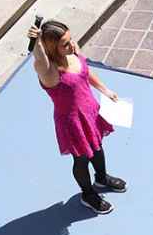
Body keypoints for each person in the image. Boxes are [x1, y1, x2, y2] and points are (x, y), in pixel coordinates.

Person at [28, 20, 126, 214]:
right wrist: (37, 42)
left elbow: (85, 71)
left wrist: (105, 90)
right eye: (65, 44)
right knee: (81, 159)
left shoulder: (72, 52)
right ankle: (88, 194)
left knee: (97, 147)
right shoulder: (49, 72)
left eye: (70, 39)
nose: (71, 45)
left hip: (90, 112)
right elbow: (40, 60)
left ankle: (101, 178)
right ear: (51, 48)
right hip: (73, 123)